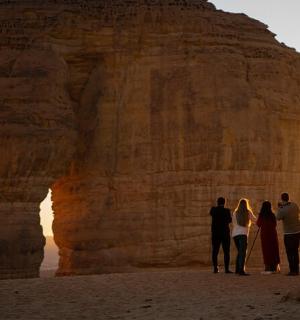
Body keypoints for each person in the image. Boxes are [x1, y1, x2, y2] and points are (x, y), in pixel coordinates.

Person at [276, 193, 300, 276]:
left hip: (288, 233)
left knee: (289, 252)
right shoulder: (295, 205)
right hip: (297, 232)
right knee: (295, 251)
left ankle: (292, 270)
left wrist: (280, 207)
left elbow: (278, 217)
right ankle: (296, 270)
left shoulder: (282, 209)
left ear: (282, 199)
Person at [232, 198, 256, 276]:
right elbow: (254, 220)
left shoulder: (235, 213)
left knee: (239, 252)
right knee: (242, 253)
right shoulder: (248, 212)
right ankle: (241, 270)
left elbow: (233, 222)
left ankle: (237, 269)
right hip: (243, 234)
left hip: (235, 234)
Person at [210, 197, 233, 273]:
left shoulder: (213, 210)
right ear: (224, 203)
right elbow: (230, 220)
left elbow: (211, 213)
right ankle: (226, 269)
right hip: (225, 233)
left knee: (215, 251)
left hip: (215, 233)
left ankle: (215, 268)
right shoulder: (227, 211)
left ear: (217, 202)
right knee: (226, 251)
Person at [257, 201, 280, 273]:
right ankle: (274, 266)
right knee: (274, 249)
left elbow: (258, 224)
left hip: (264, 234)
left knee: (266, 250)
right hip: (272, 234)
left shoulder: (261, 215)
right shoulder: (272, 215)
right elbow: (275, 224)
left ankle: (267, 266)